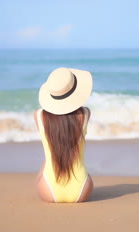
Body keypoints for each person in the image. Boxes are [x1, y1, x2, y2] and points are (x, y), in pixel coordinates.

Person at [34, 67, 94, 203]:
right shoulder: (85, 114)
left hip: (48, 190)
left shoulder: (38, 115)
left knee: (48, 158)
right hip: (82, 190)